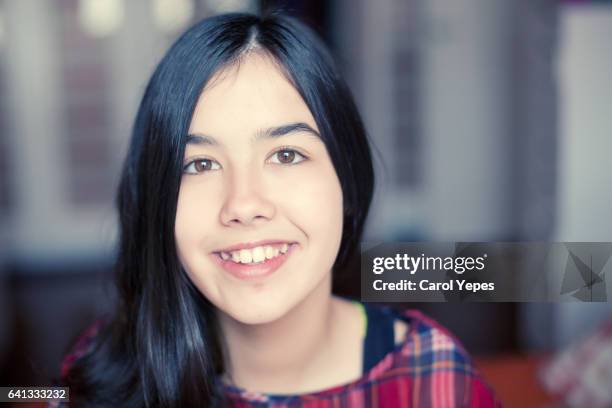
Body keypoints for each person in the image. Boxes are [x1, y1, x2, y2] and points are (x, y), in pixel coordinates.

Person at [52, 12, 500, 407]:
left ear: (346, 178)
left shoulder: (432, 378)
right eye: (200, 164)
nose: (243, 205)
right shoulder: (100, 376)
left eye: (286, 155)